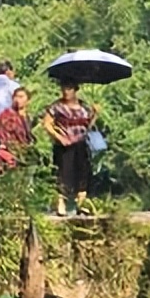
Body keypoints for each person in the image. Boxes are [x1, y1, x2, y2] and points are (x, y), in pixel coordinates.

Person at [42, 82, 97, 215]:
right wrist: (58, 137)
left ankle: (81, 203)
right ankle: (61, 203)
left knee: (83, 173)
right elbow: (46, 124)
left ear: (75, 90)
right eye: (64, 88)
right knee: (63, 173)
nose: (66, 92)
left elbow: (88, 126)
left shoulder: (84, 106)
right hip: (64, 145)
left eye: (69, 89)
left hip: (81, 143)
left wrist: (95, 114)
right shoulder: (56, 107)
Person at [0, 87, 33, 172]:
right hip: (9, 152)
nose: (18, 100)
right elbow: (3, 136)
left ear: (28, 100)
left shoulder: (28, 117)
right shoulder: (6, 115)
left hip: (24, 153)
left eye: (21, 97)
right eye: (16, 97)